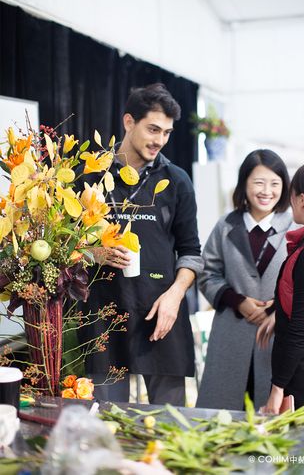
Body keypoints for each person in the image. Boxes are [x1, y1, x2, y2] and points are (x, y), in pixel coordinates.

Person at [80, 83, 203, 406]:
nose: (159, 141)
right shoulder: (92, 177)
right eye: (153, 129)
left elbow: (191, 252)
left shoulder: (176, 181)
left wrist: (175, 297)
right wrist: (95, 253)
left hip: (161, 312)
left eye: (166, 132)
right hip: (103, 313)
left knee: (170, 421)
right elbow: (67, 246)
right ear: (128, 122)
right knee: (106, 419)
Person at [196, 149, 293, 411]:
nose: (267, 191)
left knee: (272, 426)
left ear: (284, 187)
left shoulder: (295, 227)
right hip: (230, 334)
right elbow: (207, 273)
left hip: (278, 335)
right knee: (222, 417)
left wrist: (277, 306)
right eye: (258, 182)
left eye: (275, 183)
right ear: (244, 184)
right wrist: (237, 301)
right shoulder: (226, 225)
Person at [260, 161, 304, 416]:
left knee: (303, 455)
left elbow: (301, 330)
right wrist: (280, 312)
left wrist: (277, 387)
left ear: (301, 199)